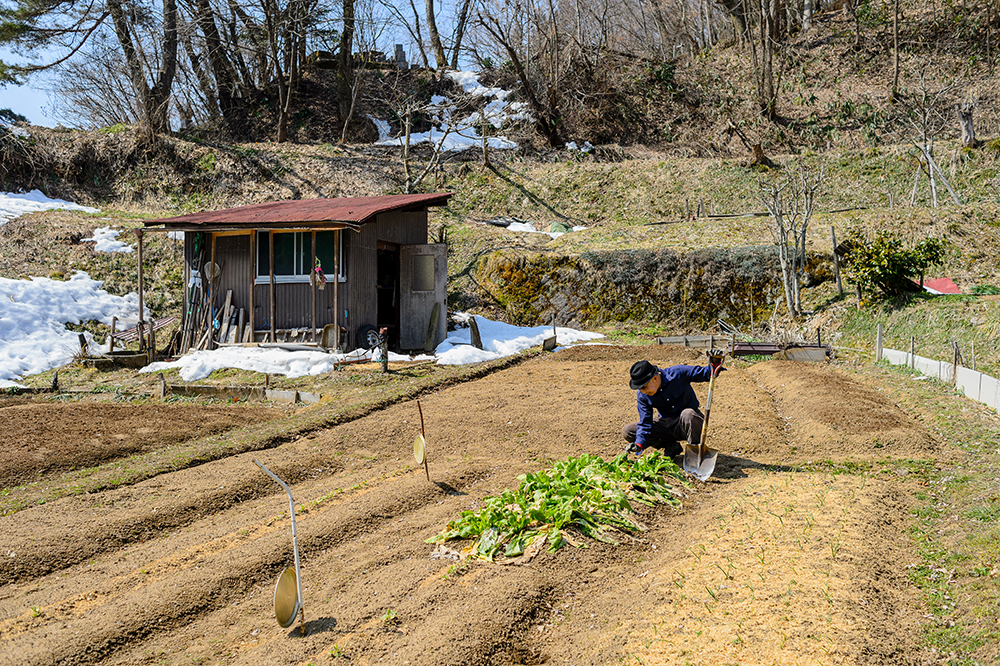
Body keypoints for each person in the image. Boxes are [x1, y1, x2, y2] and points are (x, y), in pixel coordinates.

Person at [622, 355, 724, 457]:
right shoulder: (643, 395)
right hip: (666, 424)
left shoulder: (678, 373)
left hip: (689, 424)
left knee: (688, 414)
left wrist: (714, 363)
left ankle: (695, 452)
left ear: (655, 378)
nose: (643, 391)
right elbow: (645, 423)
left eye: (644, 387)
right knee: (628, 430)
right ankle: (671, 446)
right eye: (639, 389)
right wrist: (639, 444)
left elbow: (706, 374)